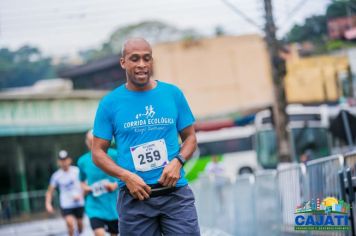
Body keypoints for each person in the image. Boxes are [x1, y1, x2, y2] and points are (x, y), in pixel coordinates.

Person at [92, 37, 200, 235]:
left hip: (175, 195)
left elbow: (191, 137)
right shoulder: (109, 103)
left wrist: (178, 161)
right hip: (134, 198)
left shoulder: (172, 94)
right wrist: (125, 176)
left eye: (146, 58)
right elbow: (98, 152)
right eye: (135, 59)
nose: (142, 65)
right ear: (123, 62)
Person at [77, 130, 119, 236]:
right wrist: (85, 188)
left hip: (113, 205)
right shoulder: (82, 161)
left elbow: (126, 174)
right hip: (94, 205)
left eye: (94, 141)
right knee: (99, 233)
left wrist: (115, 185)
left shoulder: (115, 155)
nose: (92, 144)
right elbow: (81, 181)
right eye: (90, 141)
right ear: (87, 142)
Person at [45, 150, 85, 236]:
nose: (64, 162)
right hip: (66, 204)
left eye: (65, 160)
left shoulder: (77, 171)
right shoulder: (56, 176)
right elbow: (49, 191)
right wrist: (48, 204)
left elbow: (84, 185)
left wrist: (81, 195)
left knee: (80, 226)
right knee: (70, 225)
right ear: (58, 162)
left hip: (79, 203)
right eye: (61, 160)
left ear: (69, 160)